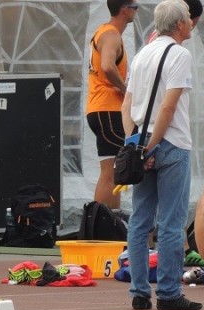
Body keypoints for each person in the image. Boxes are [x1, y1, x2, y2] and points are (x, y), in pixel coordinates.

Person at [122, 0, 201, 310]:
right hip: (171, 144)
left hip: (142, 142)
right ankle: (169, 293)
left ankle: (139, 291)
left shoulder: (143, 54)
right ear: (180, 24)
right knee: (170, 222)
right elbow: (168, 107)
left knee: (139, 221)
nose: (191, 24)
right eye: (188, 20)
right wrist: (154, 145)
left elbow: (126, 106)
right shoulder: (180, 55)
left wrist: (136, 144)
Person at [85, 0, 138, 209]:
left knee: (110, 172)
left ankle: (103, 226)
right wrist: (127, 91)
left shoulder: (104, 32)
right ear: (124, 10)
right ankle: (104, 227)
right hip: (108, 110)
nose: (137, 10)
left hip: (100, 109)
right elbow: (107, 66)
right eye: (135, 7)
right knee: (113, 174)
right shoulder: (111, 34)